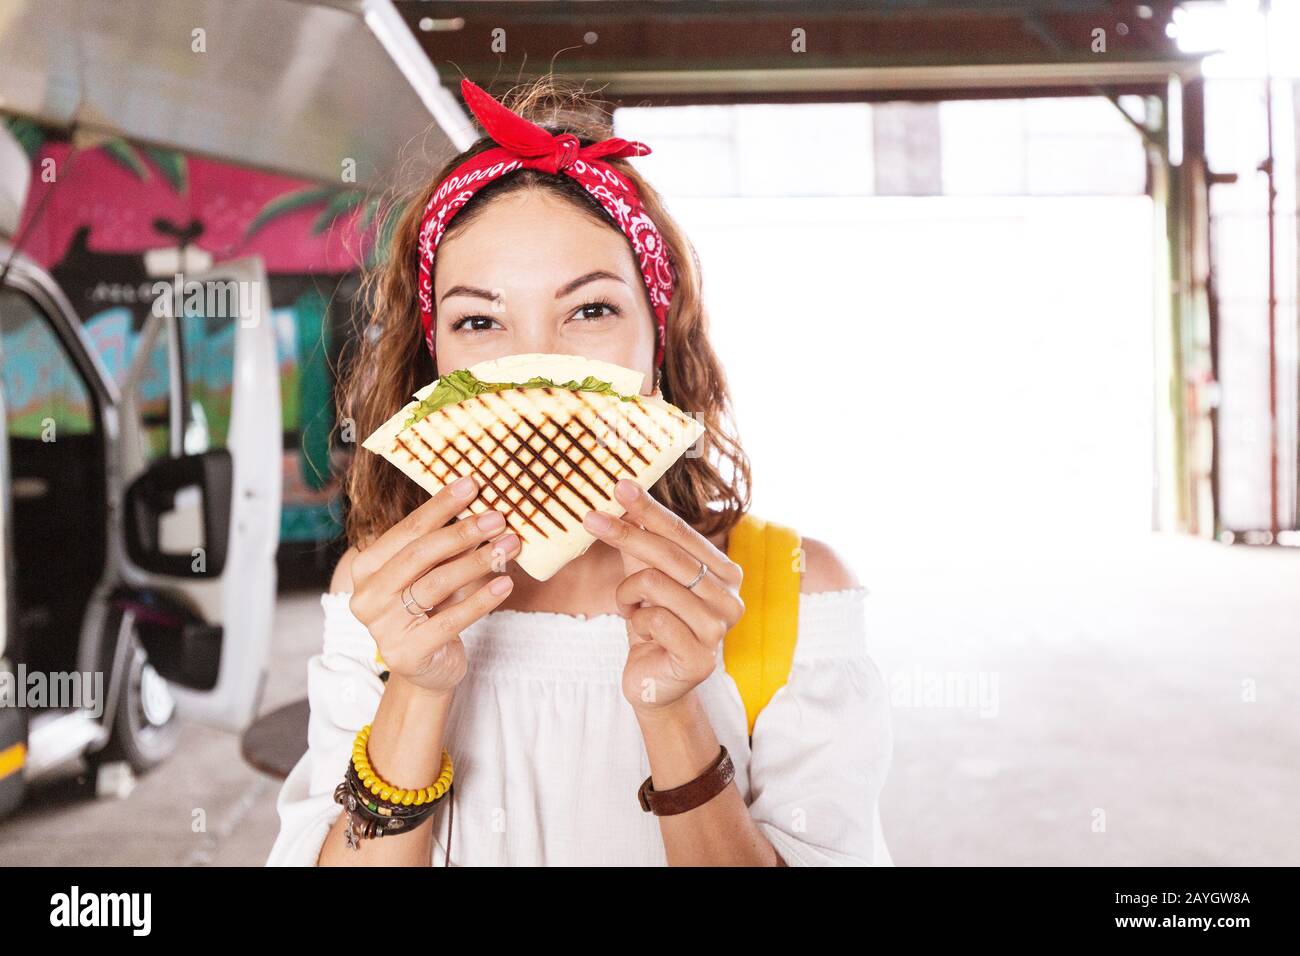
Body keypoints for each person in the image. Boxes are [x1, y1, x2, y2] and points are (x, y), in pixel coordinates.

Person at [266, 75, 893, 866]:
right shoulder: (382, 589)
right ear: (436, 362)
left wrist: (671, 711)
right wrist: (417, 693)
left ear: (658, 341)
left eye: (590, 309)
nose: (536, 372)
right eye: (480, 321)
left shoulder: (790, 590)